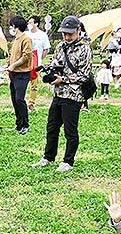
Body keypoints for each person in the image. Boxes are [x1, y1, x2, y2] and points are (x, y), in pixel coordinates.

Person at [32, 15, 92, 173]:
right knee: (52, 127)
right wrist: (48, 69)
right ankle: (48, 157)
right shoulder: (61, 46)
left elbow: (84, 75)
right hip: (59, 94)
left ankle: (68, 161)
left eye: (70, 33)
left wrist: (63, 79)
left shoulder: (85, 49)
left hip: (74, 95)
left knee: (70, 130)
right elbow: (57, 62)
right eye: (65, 33)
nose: (67, 36)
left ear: (78, 30)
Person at [6, 16, 33, 135]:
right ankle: (19, 124)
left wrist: (14, 65)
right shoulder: (16, 39)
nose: (10, 28)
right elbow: (13, 56)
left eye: (12, 25)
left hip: (23, 74)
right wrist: (9, 65)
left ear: (16, 27)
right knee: (14, 99)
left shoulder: (26, 39)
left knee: (19, 99)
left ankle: (25, 124)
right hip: (14, 74)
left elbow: (26, 56)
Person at [27, 16, 51, 112]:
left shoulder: (42, 35)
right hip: (25, 63)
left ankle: (31, 103)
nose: (29, 24)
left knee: (34, 85)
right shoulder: (26, 34)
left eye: (31, 22)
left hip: (36, 64)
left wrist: (39, 58)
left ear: (36, 23)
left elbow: (46, 49)